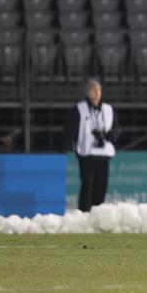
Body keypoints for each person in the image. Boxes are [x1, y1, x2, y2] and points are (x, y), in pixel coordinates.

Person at [61, 78, 120, 212]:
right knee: (87, 183)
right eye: (94, 89)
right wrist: (66, 145)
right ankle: (84, 212)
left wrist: (112, 136)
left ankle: (98, 212)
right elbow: (70, 129)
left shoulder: (108, 109)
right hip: (86, 153)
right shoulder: (79, 109)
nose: (97, 92)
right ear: (87, 92)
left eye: (99, 89)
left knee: (101, 185)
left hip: (103, 154)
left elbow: (116, 128)